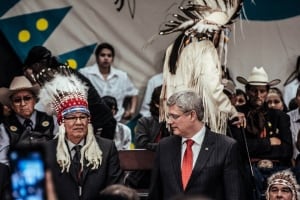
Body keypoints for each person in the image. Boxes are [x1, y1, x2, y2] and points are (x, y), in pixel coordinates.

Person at [158, 0, 245, 134]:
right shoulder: (205, 48)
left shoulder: (174, 47)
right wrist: (231, 111)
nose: (224, 39)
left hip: (175, 119)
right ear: (214, 31)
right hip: (196, 121)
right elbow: (212, 88)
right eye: (222, 33)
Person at [39, 73, 123, 199]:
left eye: (83, 117)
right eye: (72, 117)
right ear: (61, 122)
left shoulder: (106, 148)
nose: (78, 122)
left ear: (88, 120)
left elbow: (115, 190)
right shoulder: (47, 151)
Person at [148, 90, 244, 200]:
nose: (169, 121)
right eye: (169, 116)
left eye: (174, 116)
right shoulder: (165, 146)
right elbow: (155, 194)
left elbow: (234, 194)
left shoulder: (226, 147)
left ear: (192, 115)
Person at [23, 45, 116, 139]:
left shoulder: (60, 77)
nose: (33, 73)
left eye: (32, 68)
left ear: (38, 65)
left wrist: (33, 82)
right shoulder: (57, 72)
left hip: (100, 125)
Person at [233, 66, 293, 199]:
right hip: (248, 168)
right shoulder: (237, 114)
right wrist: (269, 142)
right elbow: (241, 148)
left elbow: (287, 151)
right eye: (254, 91)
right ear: (247, 91)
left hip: (277, 168)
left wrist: (254, 147)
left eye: (262, 91)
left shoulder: (280, 116)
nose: (258, 95)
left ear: (267, 92)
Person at [79, 43, 139, 122]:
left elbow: (134, 93)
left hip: (115, 121)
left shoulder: (122, 76)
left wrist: (131, 111)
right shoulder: (85, 73)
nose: (106, 58)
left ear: (112, 59)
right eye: (103, 55)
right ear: (97, 57)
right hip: (90, 120)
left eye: (109, 56)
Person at [0, 76, 57, 147]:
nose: (23, 104)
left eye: (27, 98)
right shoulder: (4, 127)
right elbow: (3, 156)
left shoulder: (52, 120)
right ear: (12, 105)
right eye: (17, 100)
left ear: (35, 100)